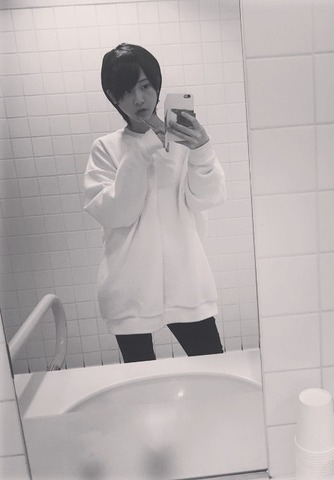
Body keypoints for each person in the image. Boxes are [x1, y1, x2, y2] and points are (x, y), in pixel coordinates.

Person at [83, 43, 226, 363]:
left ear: (158, 86)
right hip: (129, 289)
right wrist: (146, 147)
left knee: (213, 366)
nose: (139, 98)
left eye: (146, 86)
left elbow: (207, 198)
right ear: (113, 96)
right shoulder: (105, 148)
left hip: (186, 281)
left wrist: (202, 149)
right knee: (141, 380)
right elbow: (117, 213)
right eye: (126, 91)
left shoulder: (185, 143)